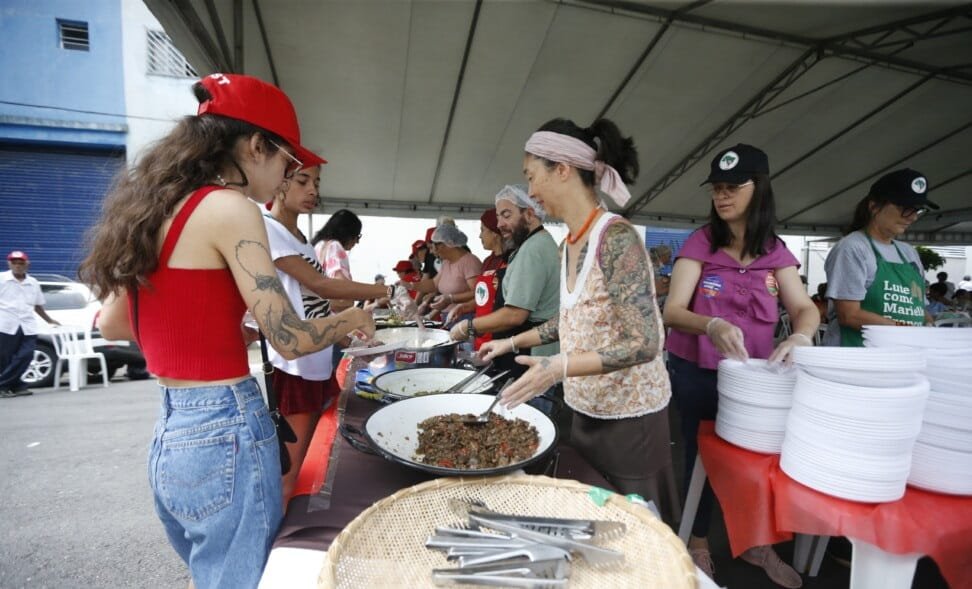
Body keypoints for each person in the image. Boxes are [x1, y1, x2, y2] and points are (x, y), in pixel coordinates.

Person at [79, 73, 376, 589]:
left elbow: (114, 322)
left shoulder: (153, 206)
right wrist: (353, 318)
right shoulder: (230, 208)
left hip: (174, 430)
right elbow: (290, 337)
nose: (286, 176)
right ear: (256, 145)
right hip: (225, 427)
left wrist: (216, 331)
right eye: (288, 162)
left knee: (212, 575)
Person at [480, 117, 679, 526]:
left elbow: (644, 343)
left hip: (629, 421)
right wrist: (511, 344)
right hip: (584, 410)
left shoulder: (616, 237)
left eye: (532, 176)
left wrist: (559, 366)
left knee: (636, 532)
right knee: (594, 527)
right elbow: (569, 322)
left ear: (563, 170)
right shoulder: (569, 242)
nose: (531, 191)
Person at [664, 144, 818, 587]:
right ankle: (697, 543)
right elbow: (673, 311)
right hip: (698, 372)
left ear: (760, 189)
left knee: (759, 462)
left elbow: (805, 308)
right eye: (717, 188)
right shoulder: (700, 243)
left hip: (756, 381)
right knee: (702, 460)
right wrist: (709, 324)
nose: (722, 196)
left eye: (733, 187)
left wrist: (800, 335)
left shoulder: (776, 251)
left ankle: (756, 544)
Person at [264, 168, 393, 504]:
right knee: (289, 474)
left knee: (306, 462)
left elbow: (318, 306)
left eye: (317, 183)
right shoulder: (270, 228)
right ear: (279, 183)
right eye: (303, 181)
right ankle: (281, 545)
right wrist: (383, 289)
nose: (312, 190)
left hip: (316, 362)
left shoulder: (303, 241)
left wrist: (347, 342)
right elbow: (322, 286)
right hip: (295, 367)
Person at [451, 186, 560, 382]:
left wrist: (467, 326)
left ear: (529, 214)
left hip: (529, 356)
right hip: (522, 349)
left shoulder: (533, 249)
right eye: (499, 217)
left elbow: (515, 314)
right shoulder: (534, 244)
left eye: (507, 215)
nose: (500, 224)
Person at [823, 168, 936, 346]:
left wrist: (930, 325)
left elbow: (918, 309)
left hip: (903, 352)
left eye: (917, 210)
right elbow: (849, 315)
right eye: (904, 208)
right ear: (874, 205)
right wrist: (904, 330)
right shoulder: (854, 248)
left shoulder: (909, 252)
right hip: (857, 356)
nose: (912, 217)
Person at [444, 208, 508, 345]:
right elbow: (483, 298)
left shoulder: (510, 261)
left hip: (499, 336)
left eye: (482, 230)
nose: (480, 236)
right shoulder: (487, 262)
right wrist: (464, 307)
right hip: (481, 332)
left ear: (495, 233)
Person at [0, 251, 60, 397]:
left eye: (21, 263)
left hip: (27, 325)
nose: (18, 266)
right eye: (14, 262)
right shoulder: (2, 279)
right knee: (5, 358)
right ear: (9, 264)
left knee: (26, 355)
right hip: (6, 323)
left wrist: (49, 320)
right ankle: (17, 386)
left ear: (27, 264)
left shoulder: (32, 282)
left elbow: (38, 305)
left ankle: (3, 384)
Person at [406, 224, 482, 327]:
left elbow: (478, 293)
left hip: (465, 318)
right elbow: (433, 284)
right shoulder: (446, 262)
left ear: (446, 244)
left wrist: (451, 298)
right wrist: (410, 285)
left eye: (434, 247)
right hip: (450, 318)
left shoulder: (469, 262)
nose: (433, 252)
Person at [311, 209, 363, 312]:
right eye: (357, 236)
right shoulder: (334, 246)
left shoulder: (318, 246)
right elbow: (342, 290)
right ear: (347, 233)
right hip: (333, 319)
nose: (356, 242)